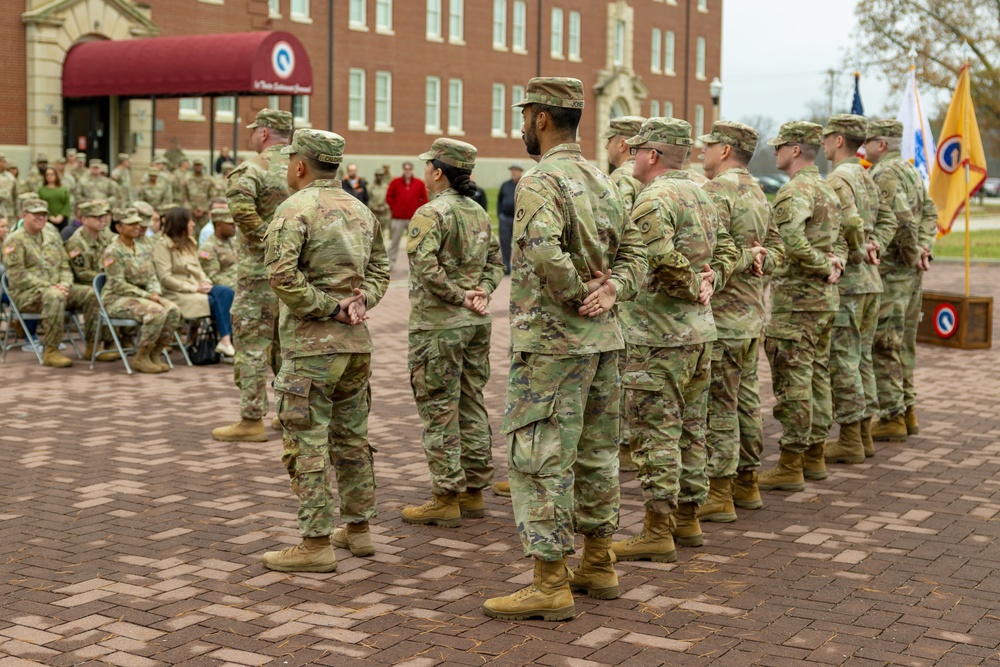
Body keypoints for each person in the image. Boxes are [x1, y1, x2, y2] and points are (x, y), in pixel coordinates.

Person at [481, 77, 647, 621]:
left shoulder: (541, 179)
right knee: (599, 455)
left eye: (524, 114)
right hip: (604, 343)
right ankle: (599, 563)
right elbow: (638, 252)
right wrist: (613, 289)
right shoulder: (604, 178)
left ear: (541, 118)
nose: (520, 124)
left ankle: (551, 579)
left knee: (538, 457)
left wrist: (580, 295)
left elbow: (542, 249)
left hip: (553, 346)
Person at [260, 128, 390, 572]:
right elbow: (381, 271)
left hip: (312, 348)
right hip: (355, 348)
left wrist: (330, 308)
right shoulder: (361, 209)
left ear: (299, 164)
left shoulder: (294, 208)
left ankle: (315, 543)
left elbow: (281, 276)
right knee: (352, 439)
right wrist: (361, 302)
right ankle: (358, 528)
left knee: (307, 442)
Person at [399, 138, 505, 528]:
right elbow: (497, 263)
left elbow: (426, 269)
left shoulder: (431, 213)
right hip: (475, 323)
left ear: (438, 172)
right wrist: (481, 294)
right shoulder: (477, 212)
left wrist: (461, 297)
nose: (425, 170)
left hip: (440, 326)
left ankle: (446, 496)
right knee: (471, 402)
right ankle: (473, 491)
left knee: (439, 409)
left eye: (428, 165)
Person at [697, 120, 784, 520]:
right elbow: (778, 251)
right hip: (751, 318)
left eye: (709, 145)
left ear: (726, 151)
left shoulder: (717, 191)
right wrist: (761, 259)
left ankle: (720, 491)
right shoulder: (759, 193)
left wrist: (747, 259)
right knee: (746, 402)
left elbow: (708, 255)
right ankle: (746, 483)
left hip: (723, 319)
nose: (703, 151)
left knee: (720, 405)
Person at [758, 122, 845, 493]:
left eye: (779, 147)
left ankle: (792, 463)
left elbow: (789, 239)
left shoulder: (795, 191)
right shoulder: (827, 188)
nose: (775, 152)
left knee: (795, 382)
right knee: (817, 377)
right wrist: (835, 261)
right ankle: (814, 456)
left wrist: (823, 264)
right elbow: (840, 239)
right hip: (823, 301)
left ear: (795, 150)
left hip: (797, 304)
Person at [212, 108, 293, 443]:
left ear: (263, 134)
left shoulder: (251, 170)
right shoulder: (302, 169)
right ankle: (291, 414)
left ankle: (251, 418)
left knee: (252, 346)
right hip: (294, 273)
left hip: (258, 273)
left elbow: (242, 213)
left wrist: (271, 242)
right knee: (286, 345)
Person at [820, 115, 895, 464]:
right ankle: (863, 434)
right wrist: (874, 243)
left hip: (850, 283)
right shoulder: (865, 174)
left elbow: (850, 221)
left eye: (826, 137)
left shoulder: (839, 178)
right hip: (870, 282)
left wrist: (858, 247)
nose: (822, 143)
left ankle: (850, 437)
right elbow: (889, 218)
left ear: (838, 140)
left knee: (844, 361)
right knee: (862, 358)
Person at [865, 119, 937, 442]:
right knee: (904, 343)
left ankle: (892, 415)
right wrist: (925, 250)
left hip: (895, 274)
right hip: (911, 275)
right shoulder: (910, 171)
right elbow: (931, 213)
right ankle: (907, 409)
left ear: (883, 145)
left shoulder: (886, 174)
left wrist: (912, 253)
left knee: (885, 342)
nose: (864, 146)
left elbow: (903, 221)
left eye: (870, 140)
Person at [2, 198, 99, 368]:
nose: (41, 218)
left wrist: (65, 284)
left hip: (58, 290)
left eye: (44, 214)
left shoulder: (52, 235)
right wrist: (50, 287)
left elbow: (65, 265)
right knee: (54, 297)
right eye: (36, 214)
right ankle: (51, 351)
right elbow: (18, 276)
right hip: (28, 295)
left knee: (91, 293)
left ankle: (92, 346)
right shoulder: (14, 240)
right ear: (24, 215)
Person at [603, 115, 646, 474]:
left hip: (629, 290)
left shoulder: (621, 178)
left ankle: (625, 445)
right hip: (653, 288)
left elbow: (613, 235)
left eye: (607, 142)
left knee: (623, 372)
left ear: (620, 144)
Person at [102, 207, 182, 374]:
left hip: (143, 297)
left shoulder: (142, 248)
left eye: (137, 224)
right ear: (118, 227)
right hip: (116, 299)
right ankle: (142, 356)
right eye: (131, 224)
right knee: (155, 311)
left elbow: (151, 276)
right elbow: (118, 284)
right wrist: (148, 296)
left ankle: (155, 353)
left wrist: (155, 294)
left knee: (173, 309)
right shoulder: (113, 251)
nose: (137, 227)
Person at [152, 207, 235, 357]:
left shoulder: (189, 242)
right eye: (189, 221)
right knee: (217, 300)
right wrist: (194, 288)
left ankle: (226, 340)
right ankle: (226, 340)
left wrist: (205, 282)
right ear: (180, 224)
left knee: (226, 291)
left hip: (197, 288)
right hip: (178, 292)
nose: (193, 225)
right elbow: (165, 278)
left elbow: (199, 270)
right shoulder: (162, 246)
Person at [385, 161, 428, 272]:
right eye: (406, 169)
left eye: (409, 169)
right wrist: (395, 208)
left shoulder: (419, 183)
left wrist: (419, 211)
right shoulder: (395, 182)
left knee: (415, 243)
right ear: (403, 170)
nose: (407, 171)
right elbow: (388, 197)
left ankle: (416, 266)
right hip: (398, 218)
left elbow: (424, 199)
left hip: (413, 219)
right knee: (394, 242)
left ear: (412, 170)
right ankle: (390, 264)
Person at [605, 116, 646, 212]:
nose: (606, 146)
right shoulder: (648, 171)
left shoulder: (621, 176)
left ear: (622, 144)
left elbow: (618, 222)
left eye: (609, 141)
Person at [199, 206, 238, 289]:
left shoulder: (233, 242)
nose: (234, 226)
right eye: (230, 224)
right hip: (229, 288)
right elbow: (213, 276)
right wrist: (238, 285)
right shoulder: (208, 247)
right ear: (218, 225)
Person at [495, 163, 523, 274]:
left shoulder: (523, 184)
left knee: (520, 244)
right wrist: (500, 214)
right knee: (505, 243)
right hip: (505, 218)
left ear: (520, 172)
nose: (513, 172)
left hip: (518, 219)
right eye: (512, 170)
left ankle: (519, 268)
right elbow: (499, 200)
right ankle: (506, 266)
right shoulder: (505, 185)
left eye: (516, 170)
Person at [182, 158, 219, 237]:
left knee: (205, 233)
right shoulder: (187, 179)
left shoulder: (209, 180)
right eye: (196, 165)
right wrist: (191, 209)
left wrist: (204, 209)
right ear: (193, 166)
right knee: (190, 233)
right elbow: (184, 196)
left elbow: (213, 196)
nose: (198, 167)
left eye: (199, 165)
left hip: (205, 213)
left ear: (203, 166)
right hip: (191, 212)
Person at [367, 164, 392, 237]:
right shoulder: (371, 187)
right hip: (374, 212)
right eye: (378, 175)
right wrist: (374, 208)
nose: (379, 177)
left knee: (383, 233)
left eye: (381, 175)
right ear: (375, 176)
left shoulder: (386, 186)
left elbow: (388, 199)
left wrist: (384, 207)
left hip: (384, 213)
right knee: (373, 233)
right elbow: (368, 199)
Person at [0, 154, 19, 221]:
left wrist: (18, 212)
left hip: (8, 213)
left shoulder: (9, 177)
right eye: (4, 162)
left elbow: (15, 196)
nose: (7, 164)